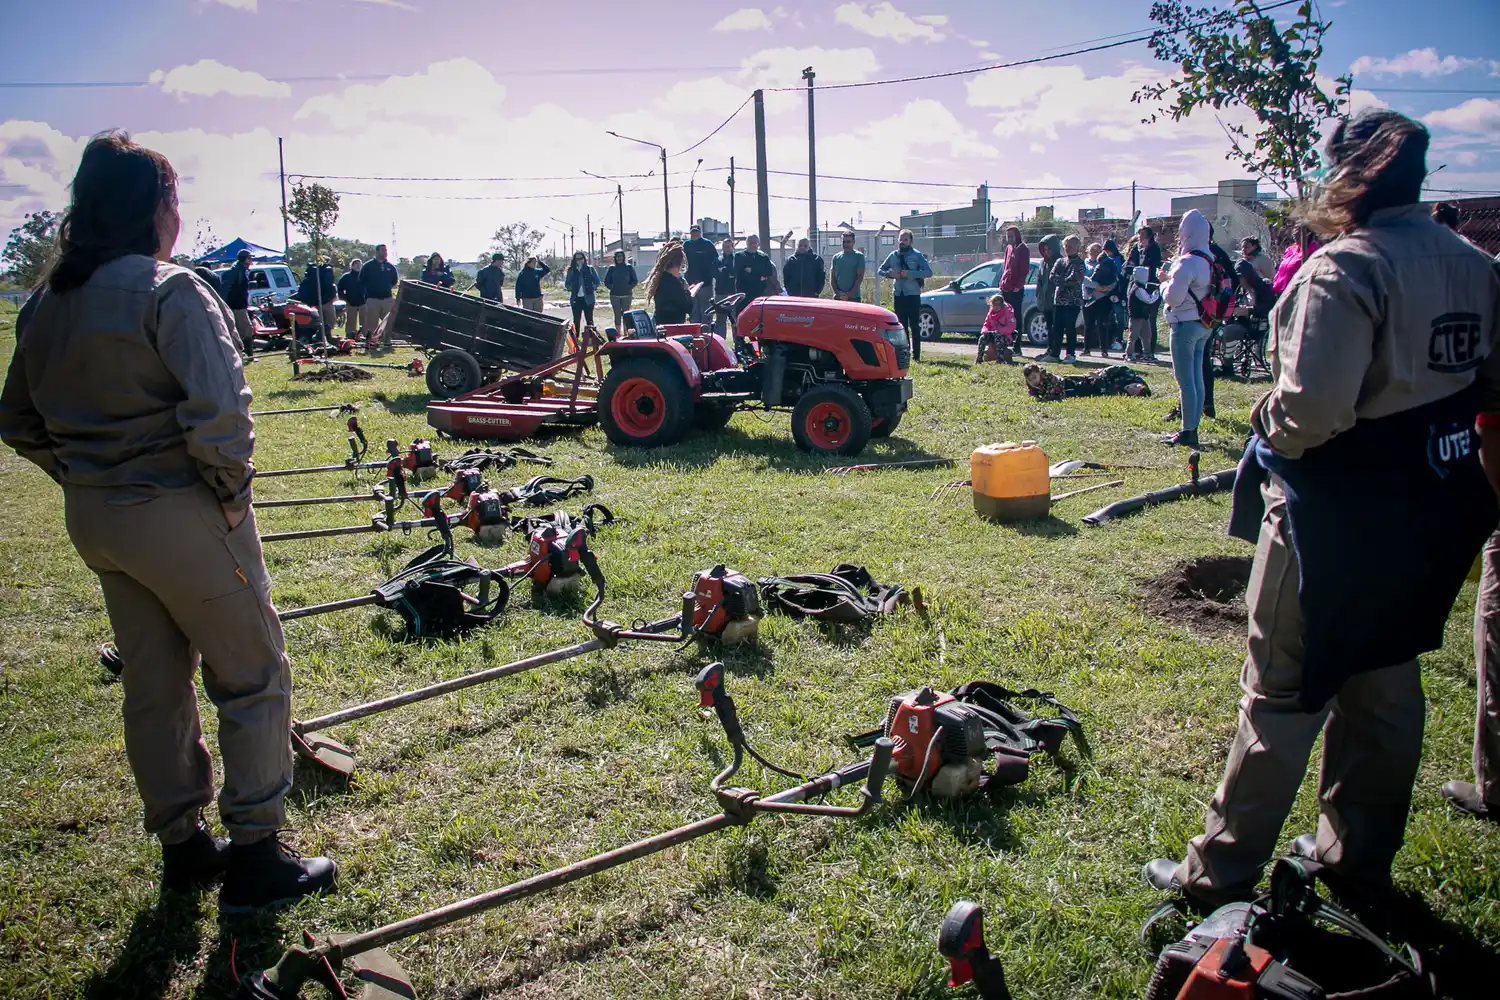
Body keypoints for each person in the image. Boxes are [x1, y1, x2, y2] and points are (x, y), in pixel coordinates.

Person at [1143, 109, 1500, 909]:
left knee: (1281, 692)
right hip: (1431, 513)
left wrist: (1264, 421)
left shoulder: (1348, 270)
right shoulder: (1478, 267)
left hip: (1331, 517)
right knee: (1386, 682)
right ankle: (1356, 861)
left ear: (1344, 179)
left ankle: (1218, 876)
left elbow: (1312, 414)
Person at [0, 130, 337, 909]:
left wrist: (81, 473)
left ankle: (183, 847)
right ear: (155, 209)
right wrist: (225, 495)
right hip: (180, 511)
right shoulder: (168, 290)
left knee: (154, 683)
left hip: (98, 523)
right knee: (252, 675)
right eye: (174, 198)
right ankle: (256, 856)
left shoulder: (48, 302)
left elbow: (16, 417)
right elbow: (222, 416)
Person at [1158, 210, 1214, 447]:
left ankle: (1188, 431)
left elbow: (1173, 298)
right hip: (1204, 324)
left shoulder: (1187, 262)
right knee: (1196, 378)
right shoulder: (1209, 260)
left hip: (1184, 325)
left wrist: (1163, 283)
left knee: (1185, 381)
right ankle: (1193, 425)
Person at [878, 229, 933, 362]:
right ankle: (904, 354)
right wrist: (889, 274)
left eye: (905, 239)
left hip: (912, 295)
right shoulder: (893, 255)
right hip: (899, 294)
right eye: (901, 239)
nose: (902, 242)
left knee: (914, 325)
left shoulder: (916, 255)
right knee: (901, 326)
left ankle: (916, 356)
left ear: (910, 241)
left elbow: (928, 272)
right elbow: (880, 269)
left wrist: (910, 274)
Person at [1046, 235, 1085, 364]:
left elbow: (1075, 280)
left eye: (1071, 247)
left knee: (1070, 327)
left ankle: (1070, 354)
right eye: (1066, 246)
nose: (1068, 249)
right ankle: (1054, 354)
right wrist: (1063, 280)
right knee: (1057, 327)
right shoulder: (1060, 261)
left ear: (1077, 248)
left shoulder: (1079, 263)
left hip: (1073, 301)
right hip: (1059, 300)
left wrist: (1061, 280)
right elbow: (1052, 276)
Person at [1022, 362, 1150, 401]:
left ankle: (1054, 395)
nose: (1132, 388)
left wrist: (1100, 381)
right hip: (1094, 377)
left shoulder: (1121, 392)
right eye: (1136, 386)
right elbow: (1116, 368)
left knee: (1075, 389)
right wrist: (1101, 375)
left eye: (1133, 391)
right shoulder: (1129, 375)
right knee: (1071, 381)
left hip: (1095, 385)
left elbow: (1104, 391)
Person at [359, 244, 400, 349]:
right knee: (371, 323)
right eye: (383, 250)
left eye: (386, 250)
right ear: (377, 252)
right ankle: (371, 342)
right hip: (372, 299)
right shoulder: (367, 266)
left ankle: (386, 341)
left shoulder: (390, 267)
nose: (385, 252)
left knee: (388, 321)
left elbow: (394, 281)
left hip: (387, 298)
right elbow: (361, 281)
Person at [1082, 244, 1119, 359]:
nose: (1096, 253)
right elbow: (1082, 279)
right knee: (1088, 325)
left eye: (1098, 251)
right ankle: (1086, 349)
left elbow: (1115, 279)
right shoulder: (1085, 264)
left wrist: (1108, 288)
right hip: (1088, 297)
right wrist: (1096, 286)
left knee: (1102, 324)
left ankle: (1104, 350)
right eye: (1093, 251)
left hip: (1103, 298)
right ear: (1089, 252)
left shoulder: (1107, 263)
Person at [733, 234, 776, 325]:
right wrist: (758, 275)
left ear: (758, 243)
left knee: (758, 317)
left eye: (755, 242)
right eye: (751, 242)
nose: (753, 244)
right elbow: (740, 273)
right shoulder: (739, 256)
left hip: (759, 293)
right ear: (747, 243)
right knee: (741, 316)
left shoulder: (763, 257)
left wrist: (751, 270)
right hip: (743, 293)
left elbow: (767, 273)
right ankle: (739, 338)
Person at [999, 227, 1029, 355]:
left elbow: (1024, 270)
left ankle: (1017, 347)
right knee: (1004, 317)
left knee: (1016, 318)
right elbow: (1005, 267)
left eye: (1012, 236)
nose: (1009, 239)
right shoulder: (1008, 248)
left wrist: (1018, 286)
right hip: (1006, 287)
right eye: (1008, 236)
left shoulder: (1023, 249)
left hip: (1016, 290)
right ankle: (1005, 345)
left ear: (1017, 236)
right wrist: (1002, 283)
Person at [646, 241, 692, 325]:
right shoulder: (674, 283)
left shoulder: (661, 278)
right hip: (672, 326)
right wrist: (687, 291)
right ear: (680, 263)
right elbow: (688, 307)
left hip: (660, 323)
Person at [683, 224, 719, 324]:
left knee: (706, 311)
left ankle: (706, 333)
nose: (694, 233)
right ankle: (695, 334)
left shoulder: (707, 244)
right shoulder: (686, 245)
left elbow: (716, 261)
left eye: (696, 231)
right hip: (691, 284)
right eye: (692, 232)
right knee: (694, 312)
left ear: (700, 232)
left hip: (705, 284)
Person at [1033, 234, 1061, 362]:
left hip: (1057, 300)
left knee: (1056, 327)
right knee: (1049, 327)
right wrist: (1038, 293)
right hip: (1045, 300)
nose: (1047, 251)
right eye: (1045, 249)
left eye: (1049, 248)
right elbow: (1039, 279)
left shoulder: (1060, 261)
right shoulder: (1043, 262)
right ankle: (1049, 349)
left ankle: (1055, 352)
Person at [224, 248, 256, 360]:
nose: (251, 260)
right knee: (246, 329)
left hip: (239, 305)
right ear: (245, 259)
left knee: (240, 330)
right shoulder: (237, 271)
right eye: (250, 258)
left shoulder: (240, 269)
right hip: (237, 306)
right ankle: (248, 355)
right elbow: (228, 289)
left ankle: (245, 355)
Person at [1126, 265, 1161, 362]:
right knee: (1133, 336)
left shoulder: (1138, 286)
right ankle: (1129, 354)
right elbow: (1148, 300)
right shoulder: (1138, 288)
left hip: (1143, 315)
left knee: (1146, 336)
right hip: (1136, 316)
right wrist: (1156, 293)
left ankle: (1147, 354)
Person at [602, 250, 638, 333]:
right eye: (617, 256)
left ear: (623, 257)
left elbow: (634, 280)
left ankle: (626, 333)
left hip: (627, 295)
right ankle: (618, 334)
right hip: (615, 296)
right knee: (617, 315)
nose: (619, 258)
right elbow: (606, 281)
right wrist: (612, 287)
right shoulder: (612, 268)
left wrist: (628, 287)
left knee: (626, 315)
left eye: (621, 256)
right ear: (615, 258)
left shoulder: (628, 267)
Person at [563, 251, 600, 332]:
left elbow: (597, 282)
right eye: (577, 259)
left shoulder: (590, 269)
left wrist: (591, 288)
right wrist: (572, 288)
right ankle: (576, 337)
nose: (579, 260)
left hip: (588, 299)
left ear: (584, 259)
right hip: (576, 299)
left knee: (589, 320)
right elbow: (567, 284)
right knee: (576, 320)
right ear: (574, 260)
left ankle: (590, 337)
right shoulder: (571, 270)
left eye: (581, 258)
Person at [976, 293, 1016, 364]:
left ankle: (1000, 359)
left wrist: (999, 331)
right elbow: (986, 324)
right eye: (994, 304)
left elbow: (1011, 327)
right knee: (982, 338)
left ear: (1002, 304)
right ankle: (979, 359)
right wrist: (985, 331)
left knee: (998, 336)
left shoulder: (1008, 312)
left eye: (998, 304)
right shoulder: (990, 312)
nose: (996, 306)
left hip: (1005, 336)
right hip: (992, 333)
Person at [831, 232, 866, 303]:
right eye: (844, 242)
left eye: (848, 242)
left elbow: (859, 277)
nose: (846, 244)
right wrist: (837, 293)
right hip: (838, 298)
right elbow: (832, 278)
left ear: (853, 242)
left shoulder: (859, 256)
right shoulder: (836, 257)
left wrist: (849, 294)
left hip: (854, 298)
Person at [714, 237, 738, 339]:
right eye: (725, 246)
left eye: (729, 246)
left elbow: (735, 273)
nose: (727, 248)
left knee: (735, 320)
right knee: (720, 320)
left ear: (732, 247)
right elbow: (715, 273)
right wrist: (727, 273)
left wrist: (724, 271)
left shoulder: (737, 259)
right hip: (720, 293)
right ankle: (720, 342)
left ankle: (738, 343)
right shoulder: (718, 260)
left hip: (733, 293)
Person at [336, 258, 365, 339]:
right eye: (356, 264)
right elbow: (340, 289)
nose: (358, 265)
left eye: (359, 264)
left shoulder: (364, 276)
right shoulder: (346, 277)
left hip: (363, 303)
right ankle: (350, 337)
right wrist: (345, 300)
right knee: (351, 322)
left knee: (364, 321)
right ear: (351, 266)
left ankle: (364, 336)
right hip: (351, 303)